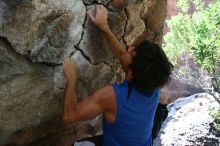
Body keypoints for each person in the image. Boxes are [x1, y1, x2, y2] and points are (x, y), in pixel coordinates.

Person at [63, 5, 173, 146]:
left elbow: (69, 115)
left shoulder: (114, 96)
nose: (129, 47)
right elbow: (124, 56)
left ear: (131, 74)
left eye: (133, 52)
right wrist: (104, 27)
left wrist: (72, 79)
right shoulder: (153, 83)